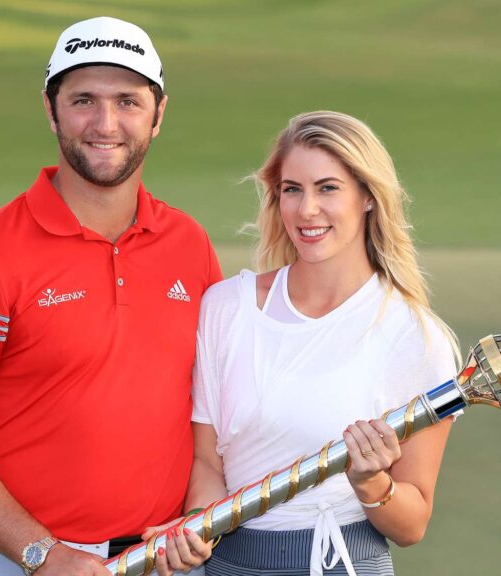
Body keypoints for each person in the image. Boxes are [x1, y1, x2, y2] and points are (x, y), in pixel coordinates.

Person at [0, 16, 219, 576]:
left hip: (163, 560)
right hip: (19, 562)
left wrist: (197, 515)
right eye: (83, 101)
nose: (106, 123)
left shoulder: (188, 245)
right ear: (50, 110)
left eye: (128, 101)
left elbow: (207, 411)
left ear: (158, 113)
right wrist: (40, 553)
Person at [182, 111, 461, 576]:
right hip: (229, 565)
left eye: (328, 188)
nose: (306, 209)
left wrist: (371, 483)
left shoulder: (415, 337)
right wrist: (197, 527)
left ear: (368, 197)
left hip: (339, 563)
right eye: (292, 189)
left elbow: (412, 524)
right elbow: (207, 462)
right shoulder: (226, 308)